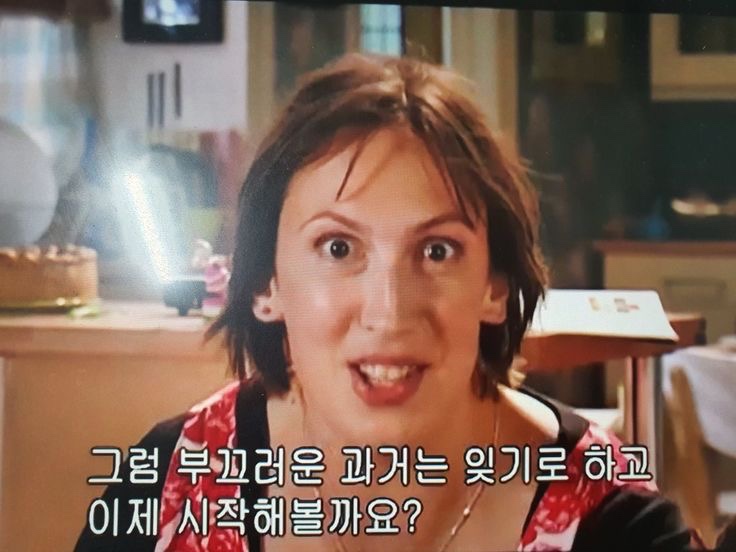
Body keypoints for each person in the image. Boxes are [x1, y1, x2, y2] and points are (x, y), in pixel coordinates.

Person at [76, 53, 708, 551]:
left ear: (495, 286)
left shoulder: (616, 525)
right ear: (266, 285)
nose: (389, 312)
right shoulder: (169, 483)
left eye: (437, 250)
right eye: (337, 248)